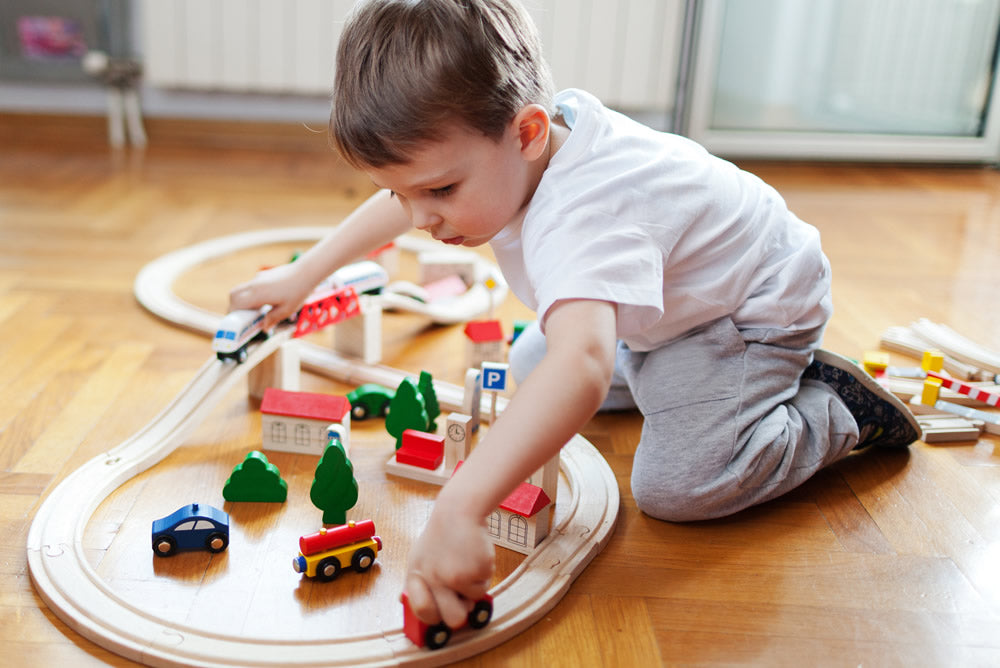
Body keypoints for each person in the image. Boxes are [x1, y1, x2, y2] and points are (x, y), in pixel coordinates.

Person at [228, 0, 920, 630]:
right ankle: (676, 380)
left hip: (745, 312)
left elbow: (585, 367)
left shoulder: (586, 213)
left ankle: (833, 407)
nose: (420, 218)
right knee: (532, 369)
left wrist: (462, 504)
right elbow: (401, 201)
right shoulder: (519, 147)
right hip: (670, 307)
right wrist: (303, 273)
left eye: (438, 190)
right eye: (404, 193)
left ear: (527, 131)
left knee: (677, 488)